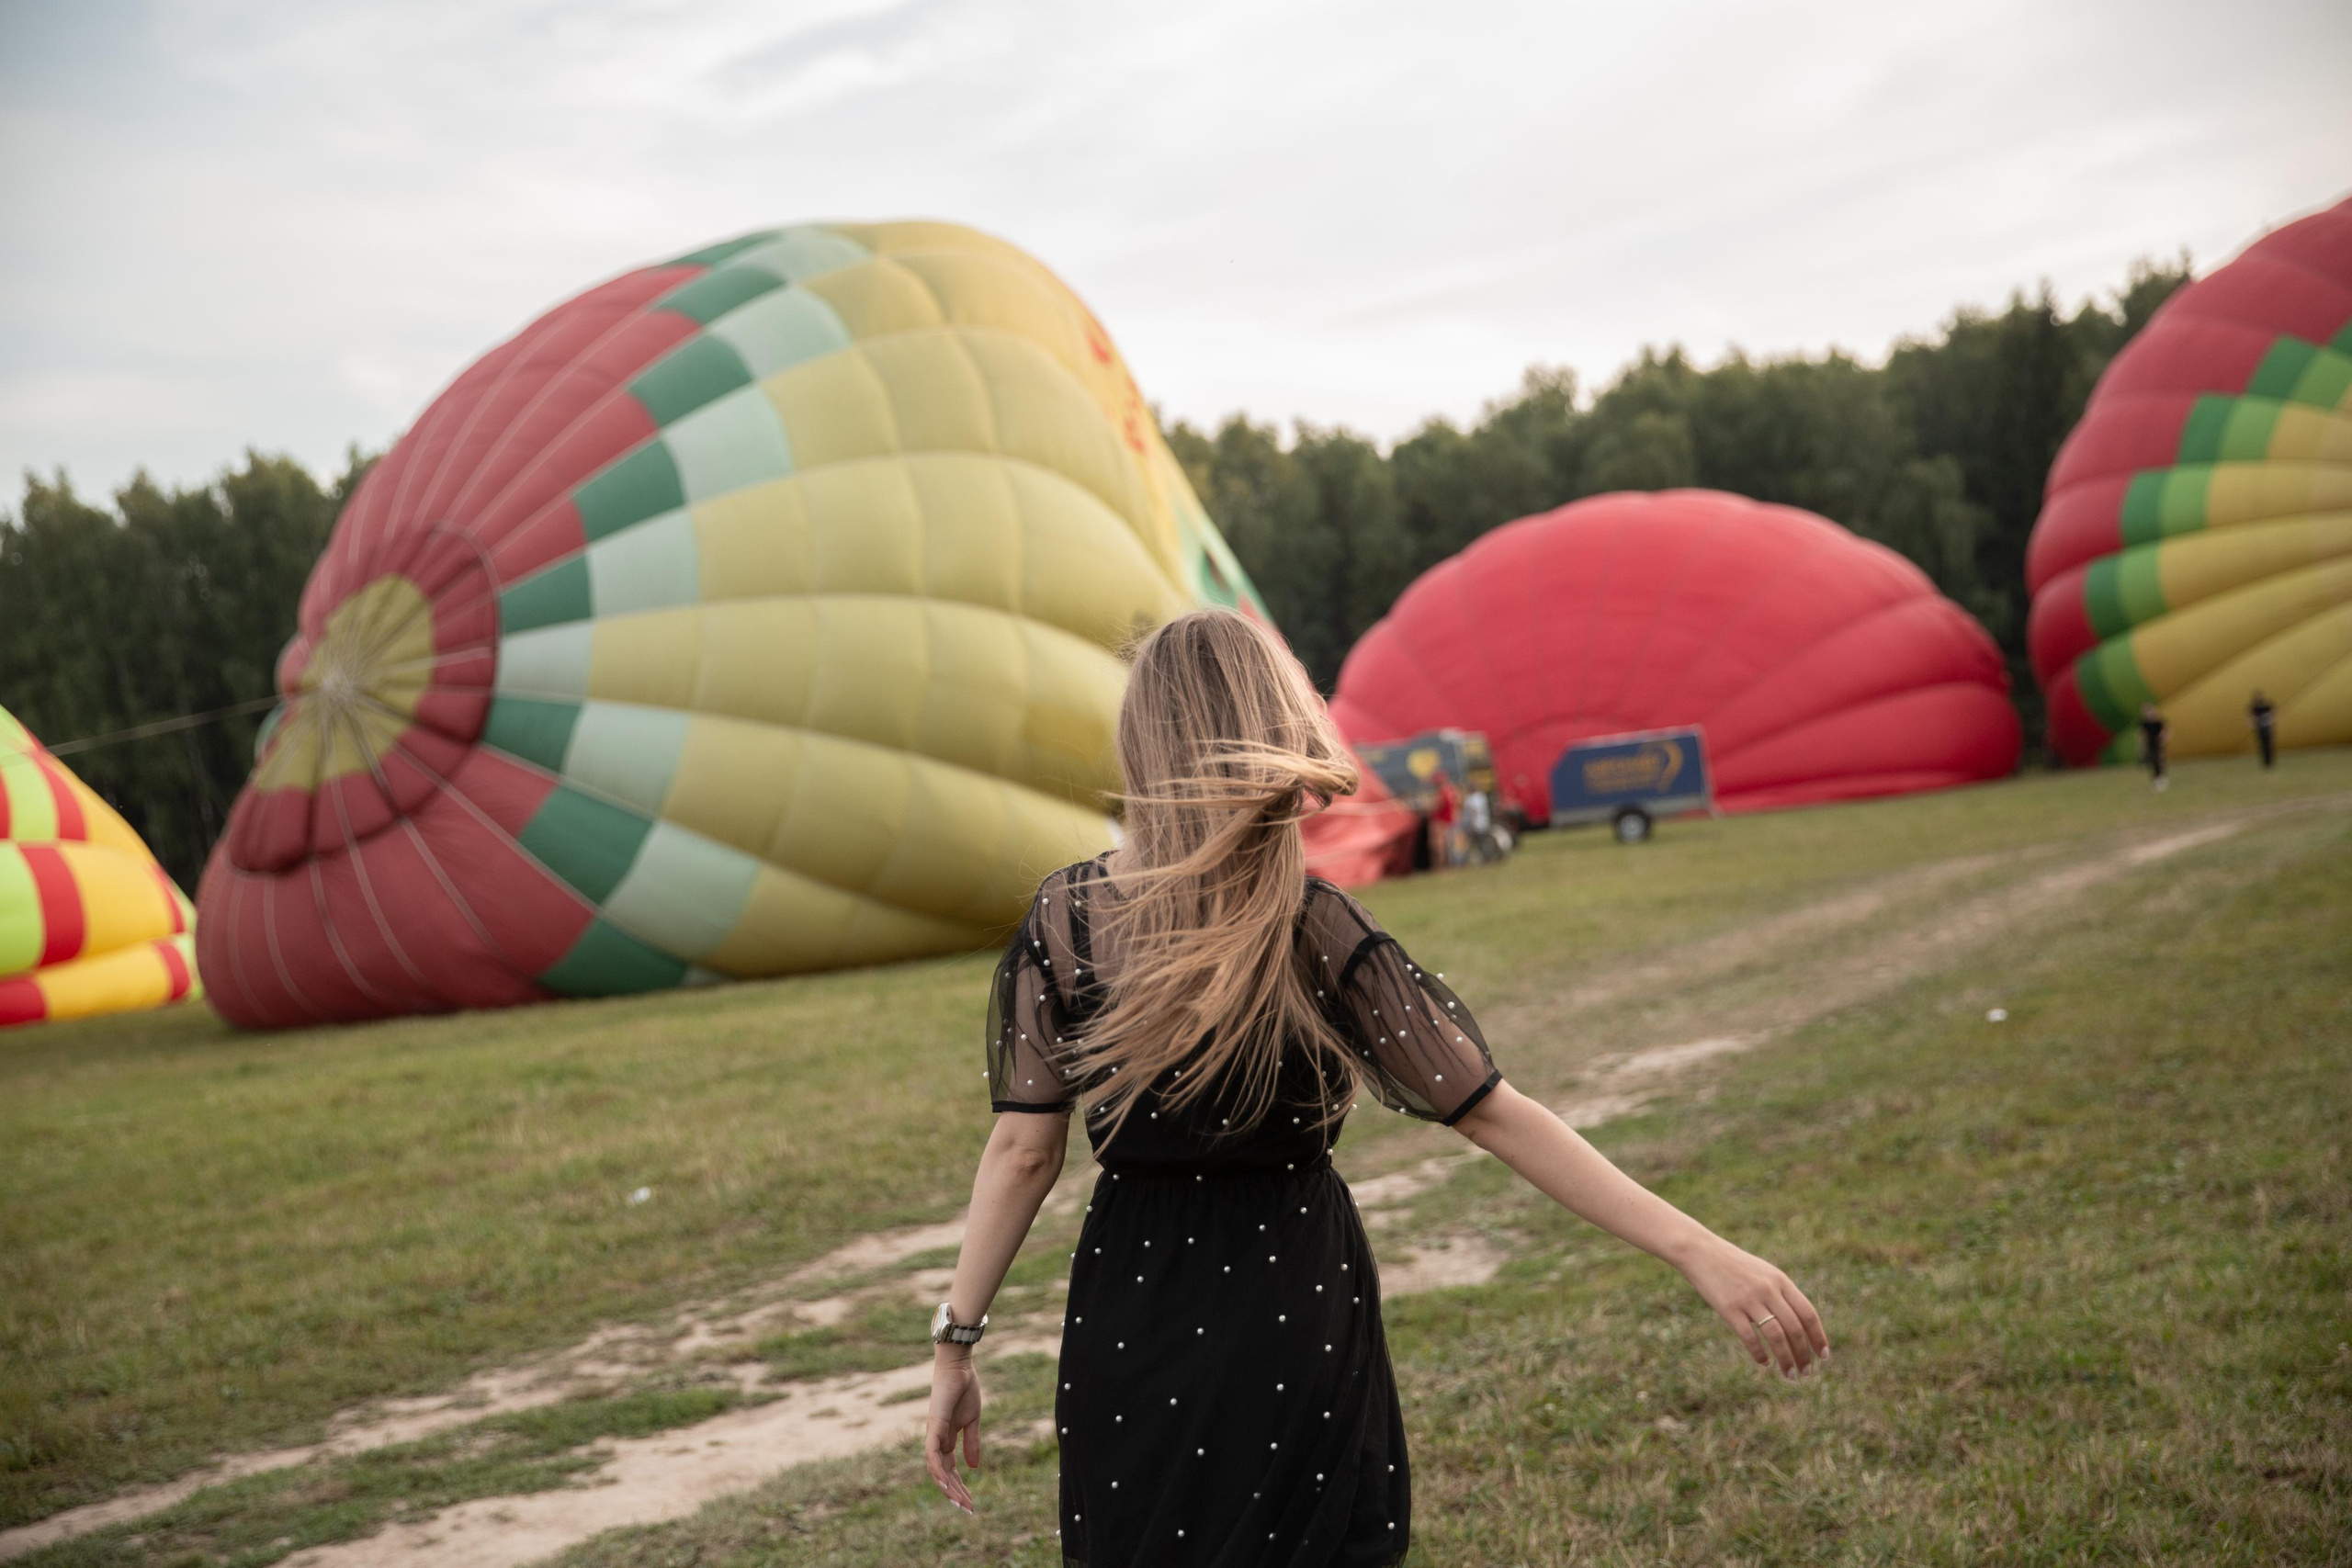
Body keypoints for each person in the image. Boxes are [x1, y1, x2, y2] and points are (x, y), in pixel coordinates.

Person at [923, 608, 1826, 1564]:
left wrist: (956, 1342)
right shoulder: (1311, 923)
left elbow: (1025, 1150)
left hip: (1133, 1299)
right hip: (1289, 1295)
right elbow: (1496, 1117)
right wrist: (1696, 1250)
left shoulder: (1064, 918)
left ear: (1142, 743)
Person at [2139, 702, 2168, 792]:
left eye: (2149, 711)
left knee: (2158, 760)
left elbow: (2165, 731)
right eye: (2145, 712)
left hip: (2157, 744)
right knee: (2151, 761)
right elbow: (2142, 735)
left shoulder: (2158, 722)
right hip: (2149, 744)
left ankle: (2161, 778)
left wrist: (2163, 739)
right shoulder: (2144, 723)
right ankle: (2156, 779)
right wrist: (2141, 747)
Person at [2248, 690, 2277, 769]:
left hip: (2266, 728)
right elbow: (2251, 718)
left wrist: (2269, 722)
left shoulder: (2266, 706)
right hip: (2260, 728)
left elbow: (2272, 714)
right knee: (2262, 745)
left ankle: (2269, 761)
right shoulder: (2254, 708)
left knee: (2268, 744)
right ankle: (2265, 761)